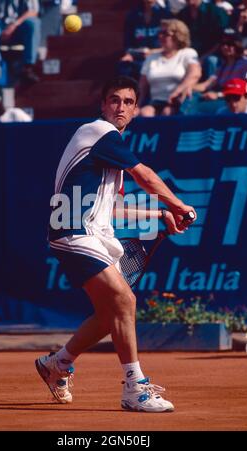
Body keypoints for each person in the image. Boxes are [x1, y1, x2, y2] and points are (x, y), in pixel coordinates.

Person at [35, 75, 197, 412]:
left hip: (91, 232)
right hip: (72, 230)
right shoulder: (98, 131)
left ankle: (58, 364)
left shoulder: (109, 153)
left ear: (136, 109)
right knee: (125, 299)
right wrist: (178, 205)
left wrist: (158, 215)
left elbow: (115, 208)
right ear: (103, 104)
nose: (119, 107)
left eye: (127, 102)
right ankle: (134, 388)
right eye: (113, 100)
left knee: (109, 313)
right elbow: (146, 176)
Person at [138, 19, 201, 116]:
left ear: (178, 36)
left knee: (167, 112)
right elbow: (142, 86)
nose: (160, 36)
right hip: (155, 101)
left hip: (176, 102)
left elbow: (195, 74)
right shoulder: (151, 58)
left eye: (165, 33)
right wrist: (135, 106)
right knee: (145, 113)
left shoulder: (187, 53)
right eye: (159, 33)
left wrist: (177, 91)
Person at [186, 28, 247, 114]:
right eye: (223, 44)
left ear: (237, 45)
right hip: (222, 100)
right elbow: (206, 85)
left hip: (235, 102)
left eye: (229, 44)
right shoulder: (222, 66)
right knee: (191, 98)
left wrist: (219, 95)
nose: (225, 47)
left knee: (195, 109)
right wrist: (187, 87)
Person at [118, 0, 171, 80]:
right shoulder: (133, 15)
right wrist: (130, 54)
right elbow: (127, 45)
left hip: (159, 56)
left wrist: (152, 52)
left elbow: (171, 46)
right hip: (138, 56)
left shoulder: (165, 15)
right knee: (124, 66)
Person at [0, 0, 41, 83]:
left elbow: (33, 11)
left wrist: (14, 25)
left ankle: (28, 67)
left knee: (33, 23)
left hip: (18, 26)